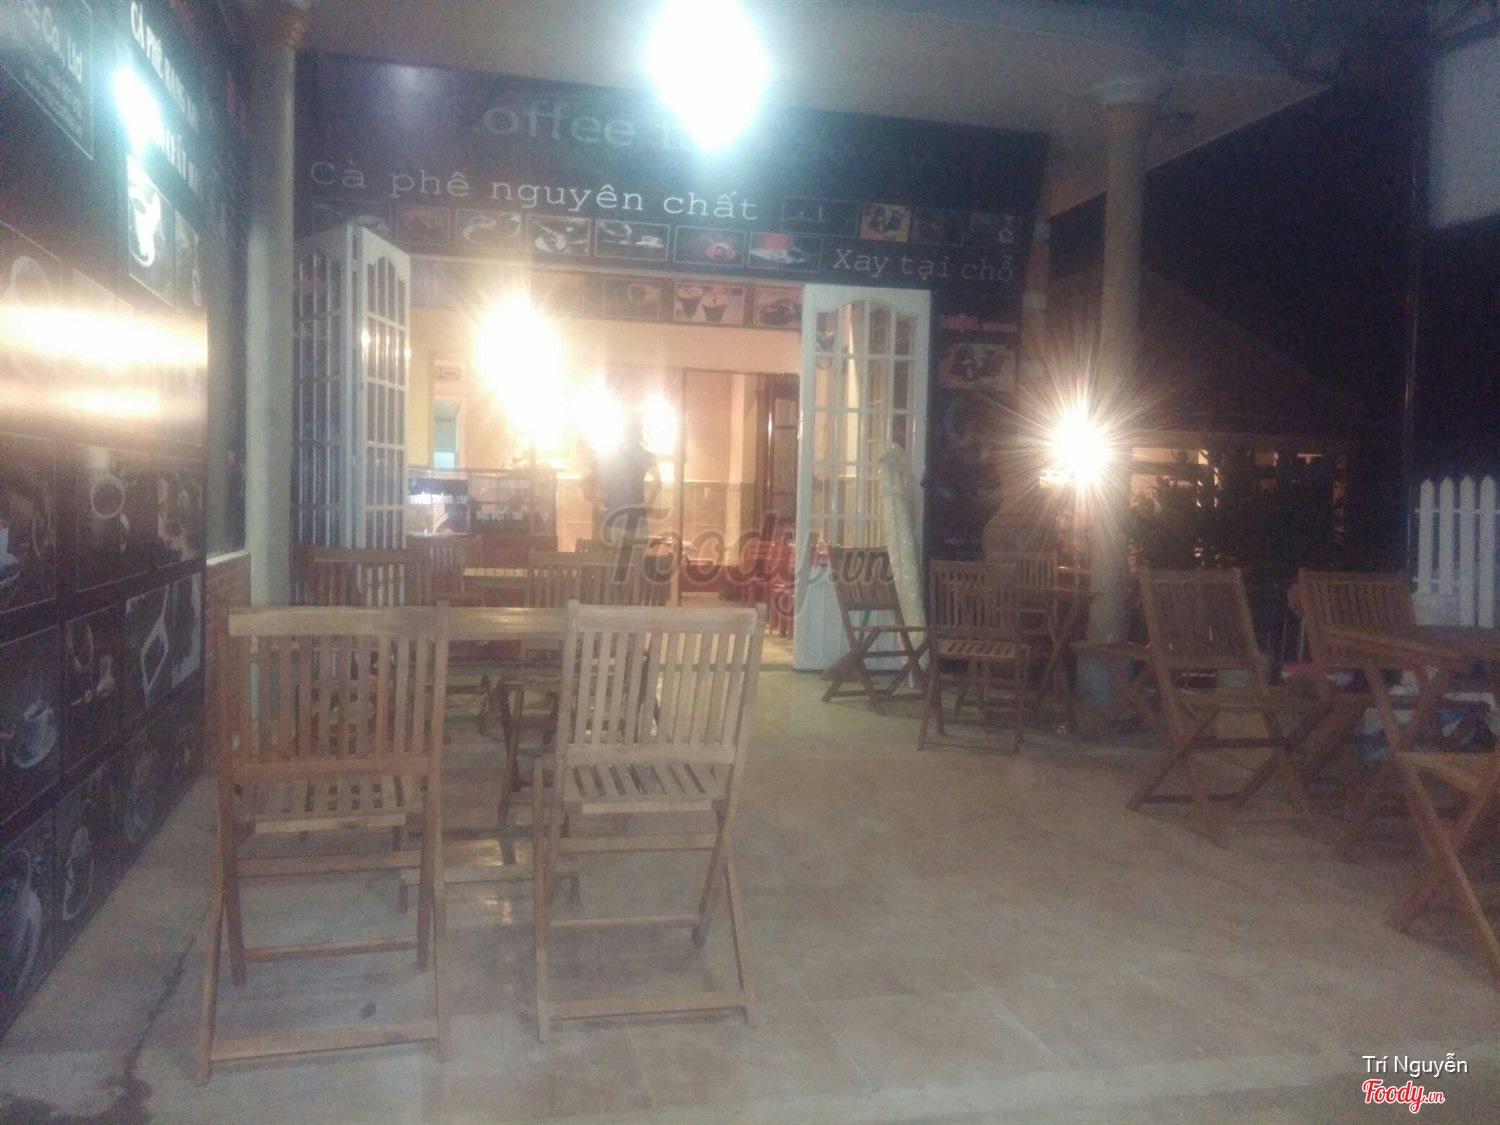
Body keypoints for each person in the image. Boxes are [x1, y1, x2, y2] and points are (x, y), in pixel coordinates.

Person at [583, 414, 661, 545]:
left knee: (612, 556)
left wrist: (598, 505)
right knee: (636, 556)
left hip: (613, 517)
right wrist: (649, 504)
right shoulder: (644, 456)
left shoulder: (611, 455)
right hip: (636, 519)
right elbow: (657, 480)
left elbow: (584, 481)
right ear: (639, 433)